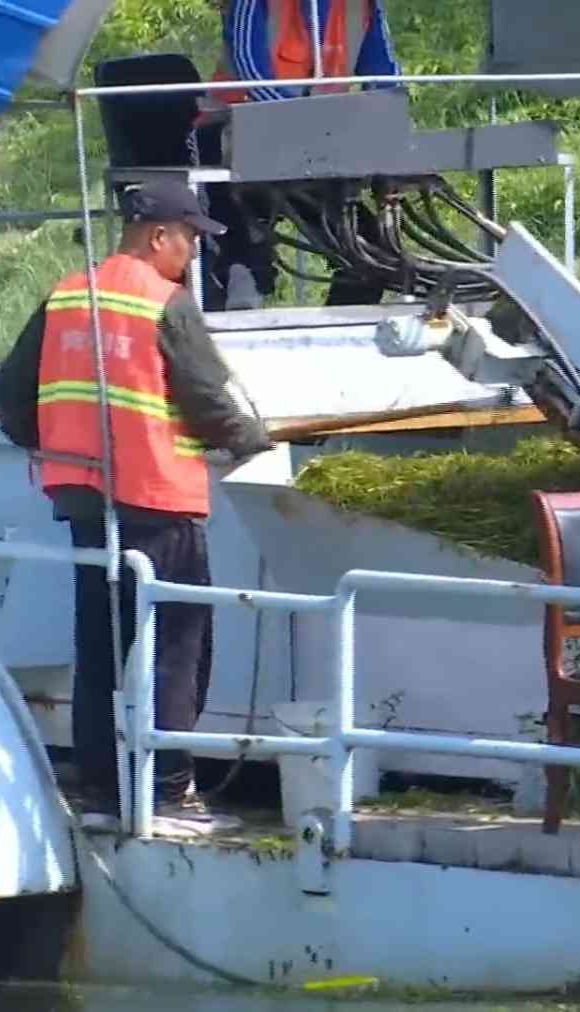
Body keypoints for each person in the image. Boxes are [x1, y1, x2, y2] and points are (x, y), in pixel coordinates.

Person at [0, 182, 273, 829]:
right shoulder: (164, 302)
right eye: (190, 238)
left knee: (101, 649)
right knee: (176, 648)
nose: (193, 251)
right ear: (158, 237)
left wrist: (57, 442)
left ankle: (100, 794)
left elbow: (11, 396)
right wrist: (252, 439)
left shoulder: (67, 295)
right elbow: (208, 400)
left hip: (84, 503)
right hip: (157, 500)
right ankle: (167, 793)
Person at [199, 0, 404, 310]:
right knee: (241, 262)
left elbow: (385, 78)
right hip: (231, 137)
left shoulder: (363, 6)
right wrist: (300, 123)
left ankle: (338, 339)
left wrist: (393, 132)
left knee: (370, 251)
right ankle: (233, 290)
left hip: (314, 147)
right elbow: (249, 70)